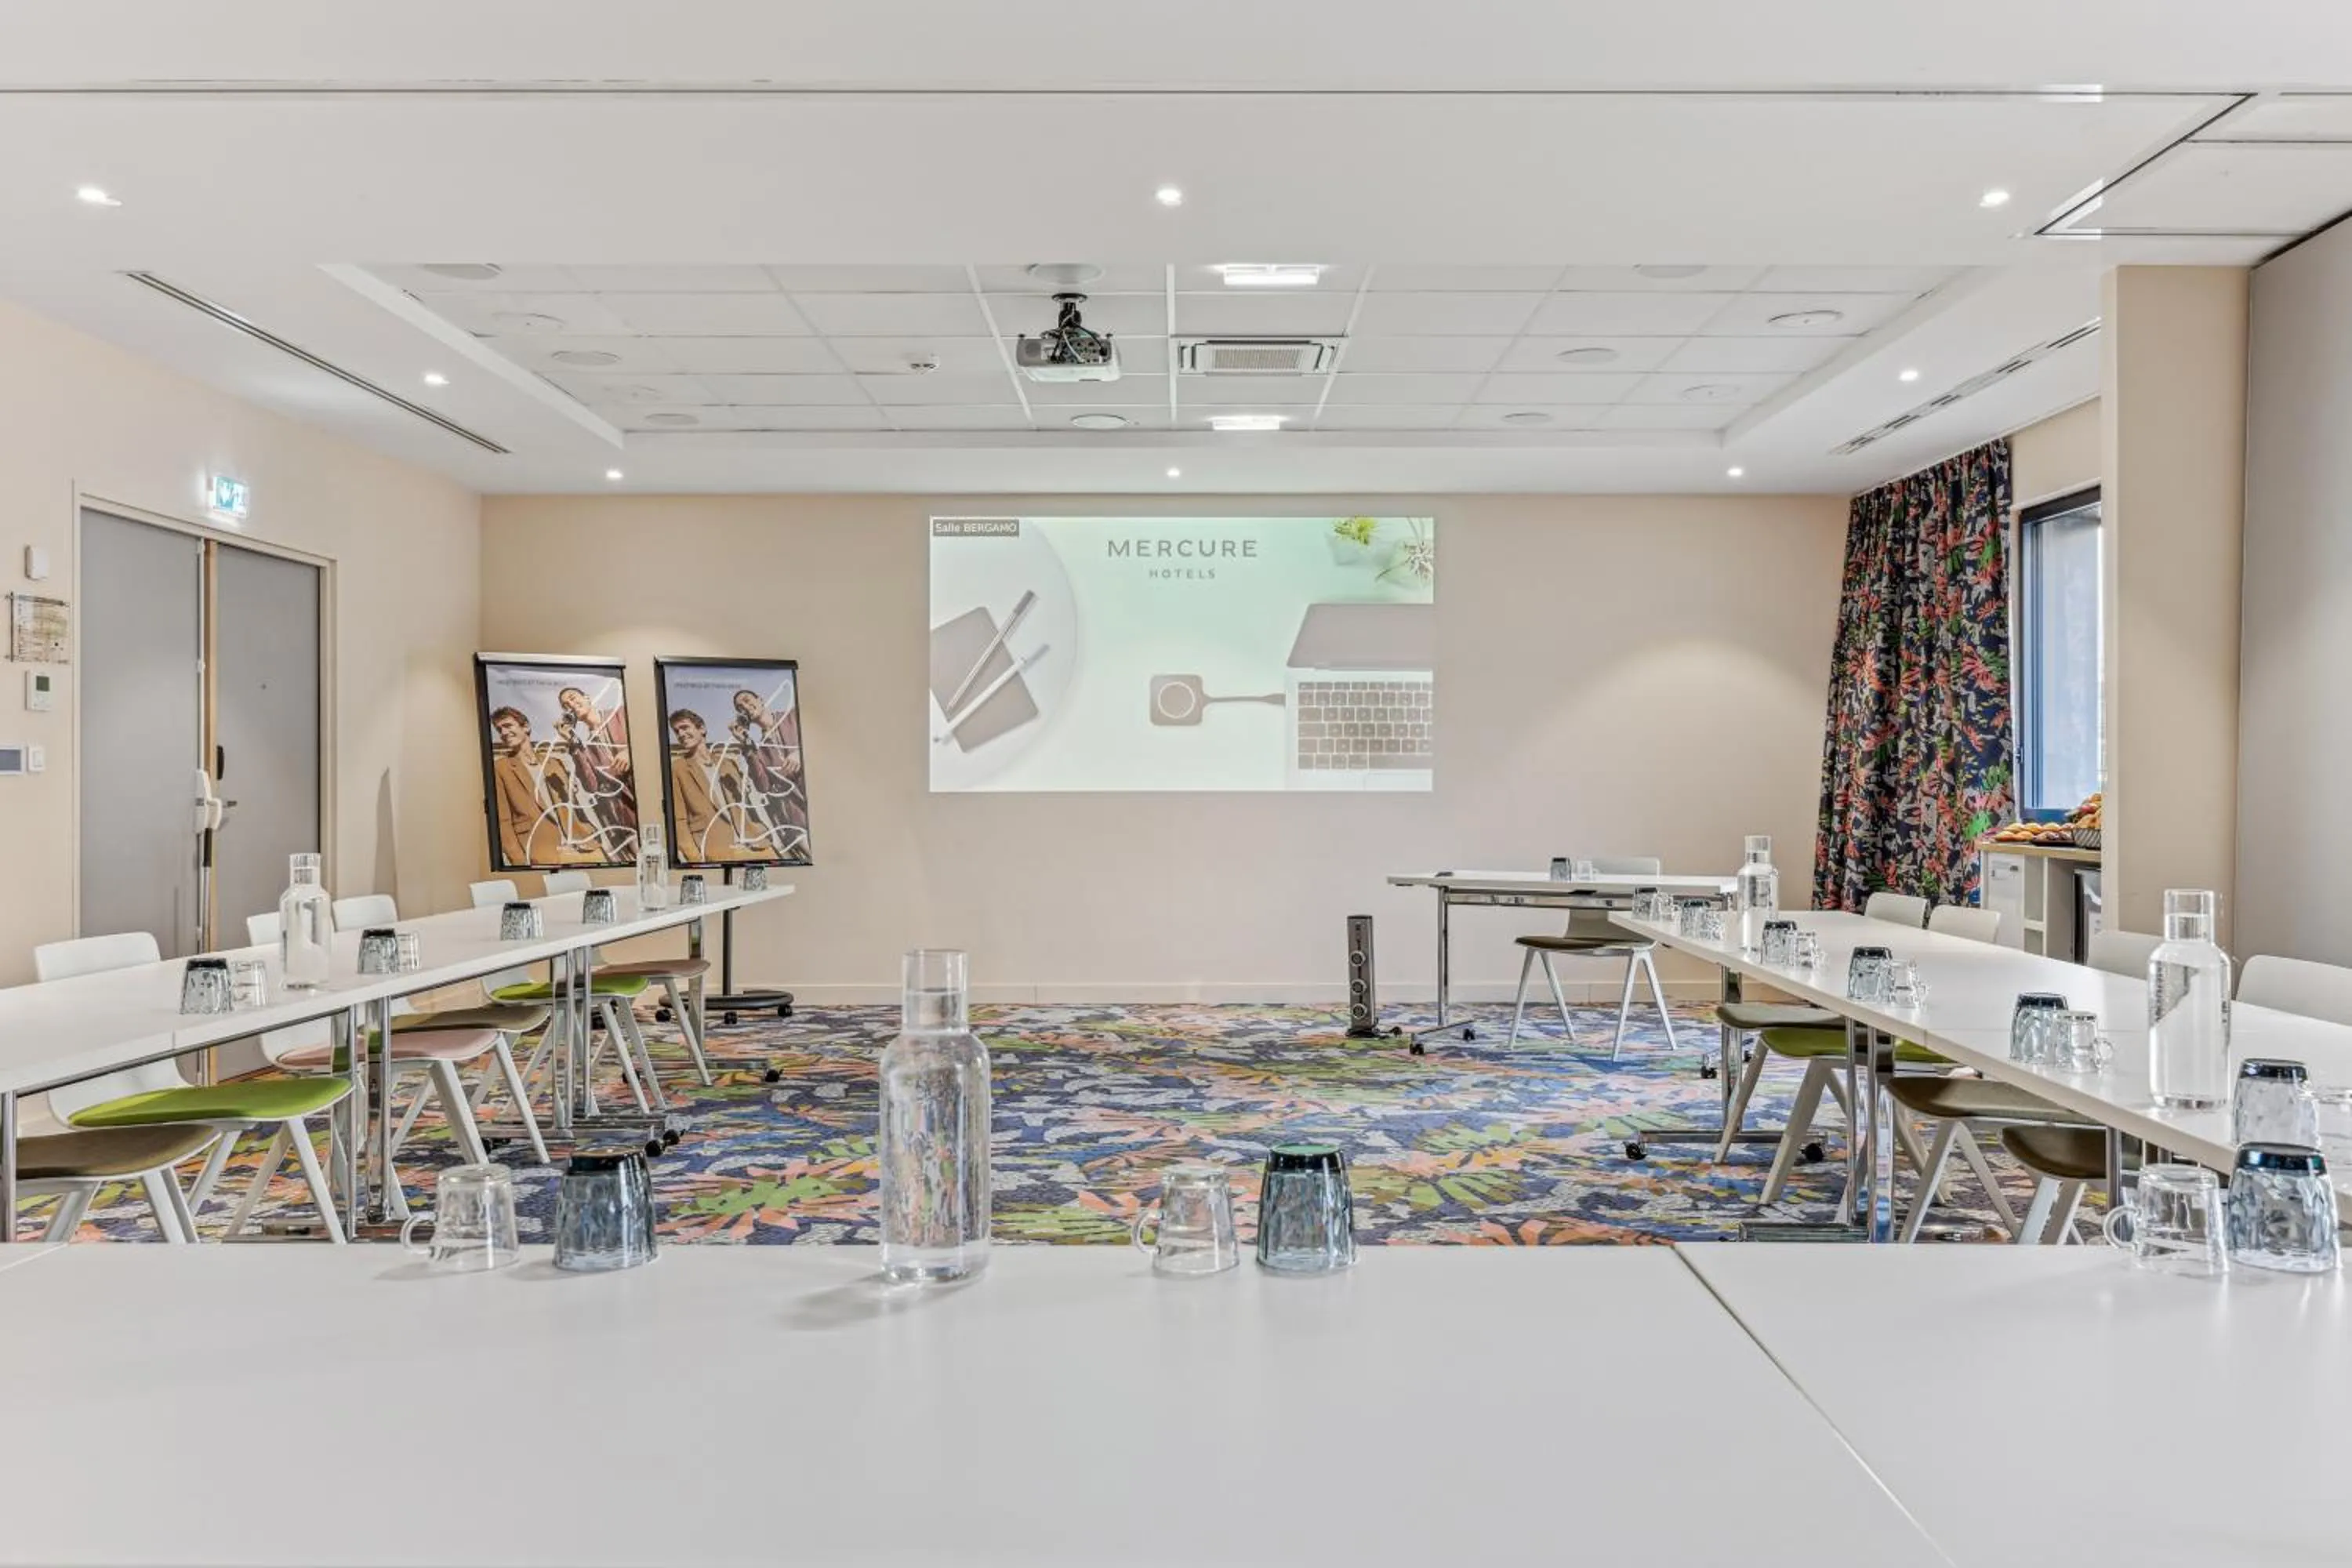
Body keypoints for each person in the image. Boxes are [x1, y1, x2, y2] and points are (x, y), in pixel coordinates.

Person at [488, 706, 599, 867]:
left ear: (526, 727)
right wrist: (519, 861)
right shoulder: (500, 768)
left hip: (581, 846)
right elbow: (502, 822)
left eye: (508, 726)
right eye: (499, 729)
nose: (503, 733)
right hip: (539, 853)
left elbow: (581, 797)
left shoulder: (553, 763)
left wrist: (571, 740)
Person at [666, 709, 750, 862]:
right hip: (713, 849)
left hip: (752, 845)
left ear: (702, 729)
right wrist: (695, 858)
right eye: (677, 731)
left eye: (685, 727)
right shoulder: (678, 769)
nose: (681, 734)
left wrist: (746, 742)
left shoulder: (727, 763)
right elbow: (679, 820)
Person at [556, 684, 637, 833]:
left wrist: (631, 751)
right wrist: (572, 742)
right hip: (628, 813)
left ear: (587, 698)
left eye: (573, 698)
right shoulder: (587, 747)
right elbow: (591, 786)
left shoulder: (621, 714)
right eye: (566, 706)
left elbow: (652, 736)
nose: (571, 705)